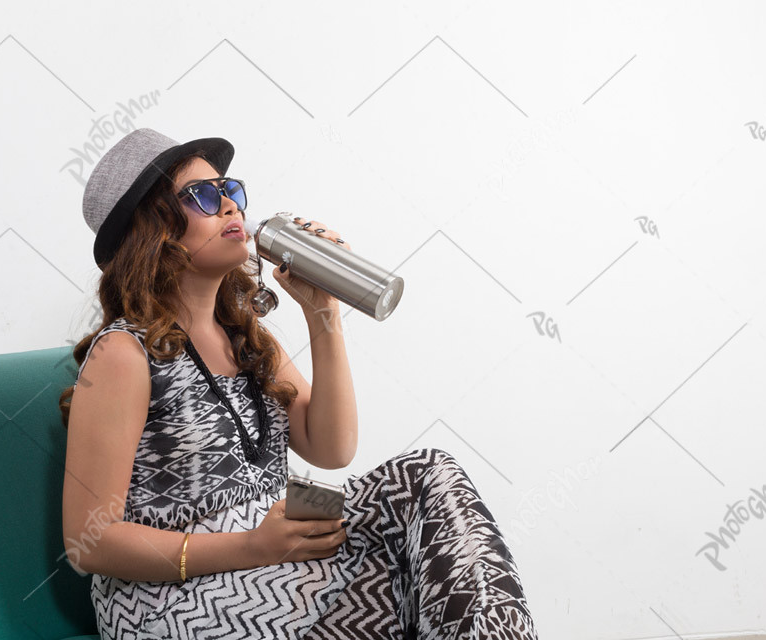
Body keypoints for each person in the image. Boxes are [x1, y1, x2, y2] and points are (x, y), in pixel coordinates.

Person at [60, 128, 539, 639]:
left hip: (273, 549)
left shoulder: (245, 338)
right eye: (202, 195)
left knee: (421, 482)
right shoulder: (124, 353)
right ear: (151, 230)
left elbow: (332, 450)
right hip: (183, 599)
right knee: (412, 535)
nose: (229, 205)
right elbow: (88, 543)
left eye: (231, 190)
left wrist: (322, 309)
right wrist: (251, 547)